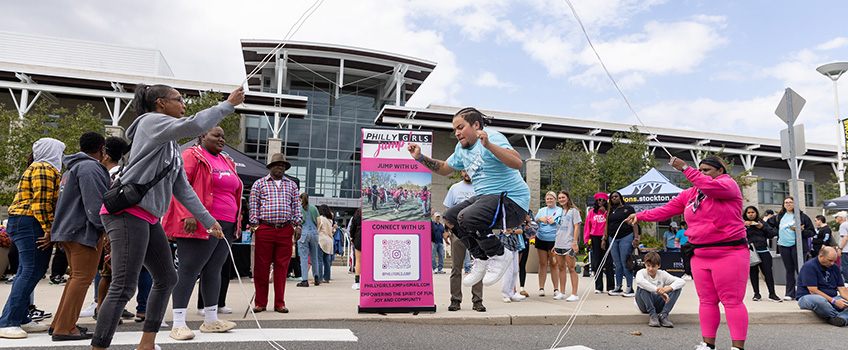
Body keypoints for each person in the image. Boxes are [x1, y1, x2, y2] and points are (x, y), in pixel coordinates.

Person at [92, 84, 243, 350]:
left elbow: (181, 187)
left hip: (148, 218)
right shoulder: (152, 122)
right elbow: (194, 125)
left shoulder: (170, 143)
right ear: (161, 103)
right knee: (124, 286)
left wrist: (209, 221)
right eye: (180, 99)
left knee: (167, 278)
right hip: (127, 214)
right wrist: (228, 105)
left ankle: (147, 344)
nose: (184, 104)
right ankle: (99, 346)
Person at [626, 155, 748, 350]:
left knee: (732, 301)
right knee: (707, 301)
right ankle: (708, 344)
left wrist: (685, 168)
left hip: (729, 252)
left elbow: (709, 186)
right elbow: (665, 210)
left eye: (706, 170)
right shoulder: (690, 194)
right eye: (700, 170)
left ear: (720, 171)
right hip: (700, 254)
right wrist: (639, 216)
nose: (702, 173)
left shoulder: (727, 184)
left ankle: (737, 347)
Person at [408, 107, 529, 289]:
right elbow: (443, 168)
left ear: (476, 125)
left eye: (460, 127)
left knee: (467, 217)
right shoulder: (461, 150)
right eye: (454, 129)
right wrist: (419, 157)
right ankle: (480, 258)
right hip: (486, 198)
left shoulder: (492, 137)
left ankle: (499, 254)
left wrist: (488, 146)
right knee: (450, 217)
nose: (456, 133)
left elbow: (517, 162)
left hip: (512, 201)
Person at [161, 125, 241, 340]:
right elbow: (179, 185)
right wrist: (188, 213)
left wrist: (236, 223)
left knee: (214, 269)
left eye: (224, 136)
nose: (222, 140)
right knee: (189, 270)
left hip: (226, 223)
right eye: (216, 135)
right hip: (201, 222)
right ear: (202, 135)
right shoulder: (191, 155)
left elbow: (234, 192)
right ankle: (178, 323)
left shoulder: (227, 160)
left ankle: (211, 319)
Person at [0, 138, 65, 339]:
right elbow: (42, 204)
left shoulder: (40, 167)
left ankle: (21, 318)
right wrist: (49, 230)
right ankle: (8, 321)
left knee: (26, 271)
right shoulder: (45, 169)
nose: (62, 156)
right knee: (30, 271)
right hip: (32, 222)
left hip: (25, 221)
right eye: (60, 151)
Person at [49, 132, 110, 341]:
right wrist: (106, 229)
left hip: (68, 230)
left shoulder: (72, 167)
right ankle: (64, 328)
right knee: (83, 278)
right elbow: (95, 205)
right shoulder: (91, 167)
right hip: (83, 231)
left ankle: (61, 323)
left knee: (76, 277)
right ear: (102, 149)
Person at [249, 153, 303, 313]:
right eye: (277, 165)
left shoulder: (292, 185)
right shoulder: (259, 184)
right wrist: (255, 225)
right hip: (265, 228)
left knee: (282, 267)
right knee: (261, 267)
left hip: (285, 229)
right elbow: (253, 205)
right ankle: (260, 302)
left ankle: (279, 302)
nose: (280, 167)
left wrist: (298, 224)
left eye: (283, 165)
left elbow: (296, 207)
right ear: (270, 167)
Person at [442, 170, 484, 312]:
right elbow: (448, 212)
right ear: (462, 172)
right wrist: (446, 230)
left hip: (477, 234)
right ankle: (455, 300)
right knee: (456, 268)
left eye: (470, 171)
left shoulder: (482, 188)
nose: (468, 174)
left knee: (478, 267)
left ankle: (477, 301)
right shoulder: (455, 188)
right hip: (458, 234)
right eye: (465, 171)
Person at [765, 196, 815, 301]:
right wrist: (776, 232)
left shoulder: (802, 216)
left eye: (791, 202)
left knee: (800, 269)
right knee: (789, 270)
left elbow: (812, 232)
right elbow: (767, 225)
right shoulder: (779, 216)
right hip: (783, 246)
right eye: (786, 202)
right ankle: (790, 293)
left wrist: (801, 231)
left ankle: (802, 292)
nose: (788, 204)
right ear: (783, 205)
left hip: (798, 246)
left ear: (795, 204)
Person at [796, 246, 848, 326]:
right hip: (809, 297)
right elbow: (813, 291)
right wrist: (834, 301)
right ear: (820, 256)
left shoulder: (835, 267)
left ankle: (840, 319)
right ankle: (838, 317)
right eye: (829, 260)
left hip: (832, 298)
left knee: (845, 302)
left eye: (833, 261)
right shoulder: (810, 266)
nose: (832, 263)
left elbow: (842, 288)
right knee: (819, 300)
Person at [634, 252, 685, 328]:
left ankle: (663, 315)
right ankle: (653, 316)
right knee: (642, 287)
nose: (650, 269)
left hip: (658, 303)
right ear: (645, 264)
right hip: (644, 305)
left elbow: (682, 281)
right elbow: (639, 281)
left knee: (677, 288)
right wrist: (657, 290)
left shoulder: (662, 274)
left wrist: (666, 289)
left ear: (659, 266)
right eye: (648, 266)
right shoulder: (641, 272)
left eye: (653, 266)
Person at [605, 191, 639, 297]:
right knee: (617, 263)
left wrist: (636, 237)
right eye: (612, 197)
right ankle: (618, 287)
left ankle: (629, 287)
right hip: (613, 238)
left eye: (616, 196)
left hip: (626, 237)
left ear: (620, 197)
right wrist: (604, 238)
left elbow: (634, 223)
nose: (614, 198)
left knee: (625, 262)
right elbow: (607, 224)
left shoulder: (628, 209)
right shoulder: (610, 211)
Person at [744, 206, 779, 302]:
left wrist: (762, 227)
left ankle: (772, 294)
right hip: (751, 253)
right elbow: (738, 235)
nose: (751, 214)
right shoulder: (743, 224)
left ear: (756, 213)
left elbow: (772, 234)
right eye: (748, 212)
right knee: (753, 273)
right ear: (746, 214)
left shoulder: (762, 223)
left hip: (764, 251)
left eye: (753, 212)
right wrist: (744, 226)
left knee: (768, 273)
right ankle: (756, 294)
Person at [553, 191, 581, 302]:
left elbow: (577, 226)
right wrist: (555, 244)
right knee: (561, 268)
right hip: (559, 243)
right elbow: (557, 228)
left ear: (568, 198)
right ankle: (562, 292)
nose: (561, 199)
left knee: (571, 268)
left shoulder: (574, 211)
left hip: (569, 243)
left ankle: (574, 293)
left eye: (563, 197)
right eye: (559, 198)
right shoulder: (559, 211)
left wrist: (574, 242)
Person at [584, 193, 614, 293]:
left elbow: (610, 222)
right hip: (595, 238)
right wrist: (586, 239)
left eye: (603, 200)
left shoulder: (609, 212)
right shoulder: (592, 212)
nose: (601, 202)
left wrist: (605, 213)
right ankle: (599, 287)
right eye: (599, 200)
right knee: (597, 262)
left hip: (607, 237)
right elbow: (587, 226)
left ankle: (611, 287)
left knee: (608, 262)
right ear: (596, 201)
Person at [534, 191, 561, 297]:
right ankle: (541, 288)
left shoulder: (560, 210)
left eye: (551, 199)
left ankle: (556, 289)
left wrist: (554, 221)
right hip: (541, 238)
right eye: (547, 199)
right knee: (542, 264)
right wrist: (540, 219)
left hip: (554, 240)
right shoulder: (542, 210)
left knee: (554, 265)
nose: (549, 201)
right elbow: (534, 222)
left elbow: (562, 222)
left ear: (555, 200)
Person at [296, 193, 321, 287]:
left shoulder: (299, 209)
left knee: (304, 258)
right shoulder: (314, 208)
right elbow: (319, 221)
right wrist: (316, 231)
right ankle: (316, 277)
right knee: (314, 256)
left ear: (300, 199)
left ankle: (305, 280)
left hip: (303, 233)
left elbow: (295, 222)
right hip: (314, 233)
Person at [500, 223, 526, 303]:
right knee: (508, 270)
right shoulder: (503, 218)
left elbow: (521, 231)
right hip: (506, 245)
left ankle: (512, 293)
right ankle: (506, 294)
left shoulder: (516, 219)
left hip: (515, 245)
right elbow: (503, 230)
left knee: (515, 270)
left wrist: (512, 231)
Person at [517, 212, 537, 297]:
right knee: (512, 267)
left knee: (522, 264)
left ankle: (522, 288)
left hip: (524, 240)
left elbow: (534, 230)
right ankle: (511, 289)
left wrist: (528, 223)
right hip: (513, 241)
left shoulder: (528, 212)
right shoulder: (513, 209)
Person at [316, 204, 334, 283]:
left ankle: (319, 278)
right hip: (329, 241)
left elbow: (317, 229)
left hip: (321, 240)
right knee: (327, 261)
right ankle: (327, 278)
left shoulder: (320, 218)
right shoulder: (330, 220)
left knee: (319, 260)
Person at [350, 209, 362, 290]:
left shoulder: (358, 212)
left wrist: (352, 238)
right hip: (371, 236)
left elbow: (352, 227)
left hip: (359, 236)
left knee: (358, 261)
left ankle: (357, 282)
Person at [836, 211, 848, 285]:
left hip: (845, 249)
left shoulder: (843, 225)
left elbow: (845, 238)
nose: (836, 219)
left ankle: (847, 282)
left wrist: (840, 248)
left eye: (836, 217)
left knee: (845, 267)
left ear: (841, 217)